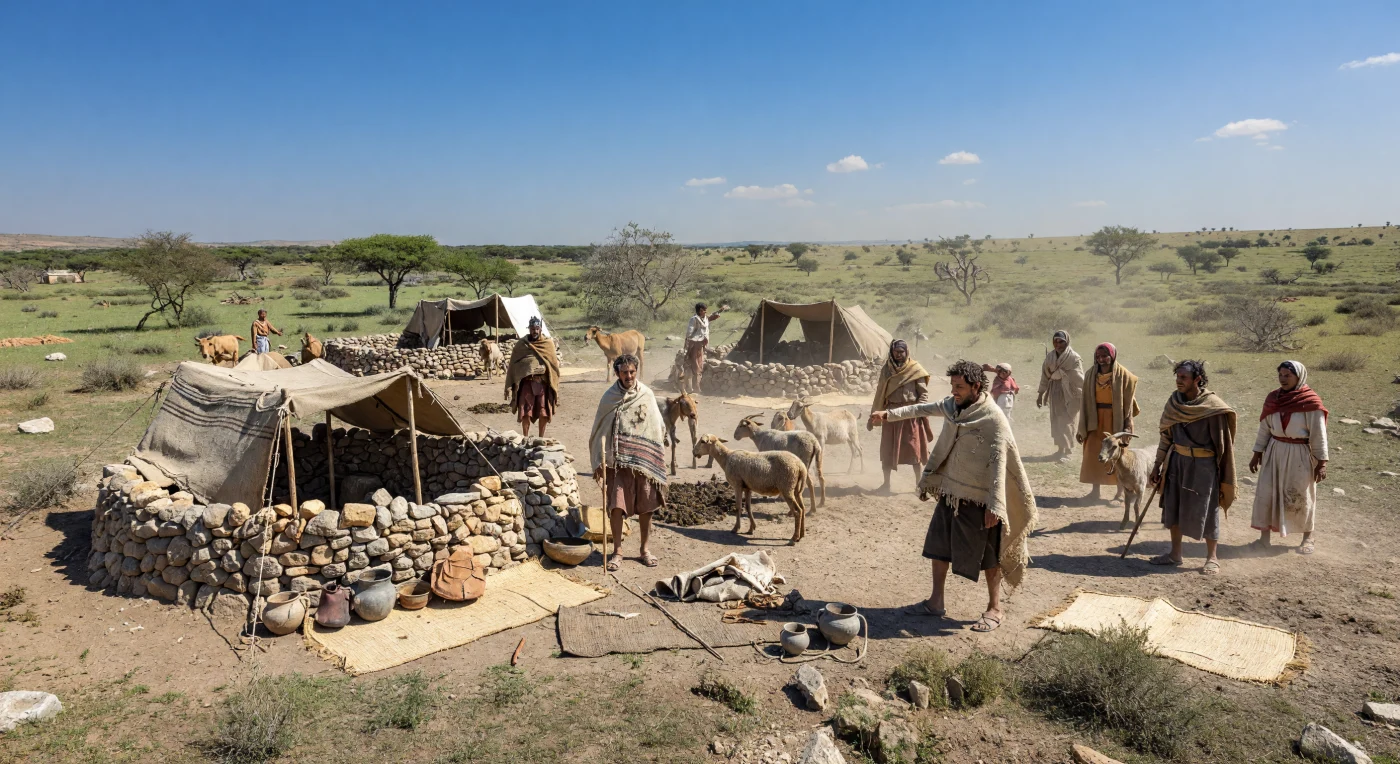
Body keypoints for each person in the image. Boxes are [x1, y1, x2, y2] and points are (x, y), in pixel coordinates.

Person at [869, 360, 1037, 633]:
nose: (954, 391)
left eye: (959, 387)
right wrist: (887, 415)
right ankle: (936, 602)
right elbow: (921, 408)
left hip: (981, 498)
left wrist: (995, 505)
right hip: (951, 491)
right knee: (939, 546)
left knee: (989, 555)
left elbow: (1000, 462)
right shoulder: (952, 407)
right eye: (952, 386)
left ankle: (995, 608)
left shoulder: (992, 418)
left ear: (976, 386)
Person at [1149, 360, 1237, 575]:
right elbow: (1166, 437)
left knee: (1207, 508)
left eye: (1183, 378)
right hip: (1177, 462)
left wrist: (1222, 472)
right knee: (1174, 505)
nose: (1178, 381)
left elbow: (1223, 444)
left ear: (1197, 379)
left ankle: (1212, 558)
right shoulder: (1174, 403)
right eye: (1177, 377)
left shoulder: (1212, 407)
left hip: (1204, 466)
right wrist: (1157, 465)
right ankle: (1175, 554)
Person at [589, 353, 668, 571]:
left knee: (647, 507)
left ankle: (644, 550)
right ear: (617, 373)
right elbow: (599, 429)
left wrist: (655, 451)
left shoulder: (646, 394)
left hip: (643, 462)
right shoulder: (609, 397)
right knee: (616, 507)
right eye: (624, 372)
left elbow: (657, 426)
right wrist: (600, 461)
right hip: (618, 463)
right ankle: (617, 552)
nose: (629, 376)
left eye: (632, 372)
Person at [1249, 361, 1328, 555]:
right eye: (1281, 375)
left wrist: (1321, 463)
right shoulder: (1273, 399)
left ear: (1299, 377)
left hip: (1299, 454)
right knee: (1267, 493)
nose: (1283, 379)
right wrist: (1257, 452)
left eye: (1287, 376)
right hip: (1274, 451)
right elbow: (1265, 428)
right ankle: (1264, 540)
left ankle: (1308, 537)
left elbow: (1319, 434)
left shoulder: (1310, 402)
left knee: (1301, 495)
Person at [1076, 343, 1140, 507]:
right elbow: (1084, 402)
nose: (1101, 359)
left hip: (1115, 419)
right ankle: (1095, 491)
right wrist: (1081, 426)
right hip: (1094, 418)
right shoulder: (1090, 374)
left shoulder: (1125, 376)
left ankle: (1120, 493)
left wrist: (1127, 425)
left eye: (1105, 356)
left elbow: (1129, 403)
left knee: (1117, 455)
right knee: (1093, 453)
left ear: (1112, 356)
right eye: (1098, 356)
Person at [870, 339, 933, 494]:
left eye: (901, 352)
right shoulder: (887, 370)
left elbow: (923, 394)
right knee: (887, 450)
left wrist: (918, 410)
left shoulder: (915, 370)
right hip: (890, 415)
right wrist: (875, 414)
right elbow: (880, 393)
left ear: (906, 352)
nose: (898, 355)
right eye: (895, 352)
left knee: (914, 451)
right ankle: (886, 484)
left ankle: (918, 484)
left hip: (910, 415)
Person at [503, 317, 559, 438]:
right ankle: (525, 438)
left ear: (541, 329)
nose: (535, 331)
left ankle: (541, 438)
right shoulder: (522, 344)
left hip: (542, 383)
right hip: (527, 383)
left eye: (537, 328)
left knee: (543, 413)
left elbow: (553, 365)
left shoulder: (547, 344)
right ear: (529, 329)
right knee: (526, 413)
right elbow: (514, 364)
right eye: (533, 329)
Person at [1036, 330, 1084, 462]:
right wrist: (1040, 394)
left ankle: (1068, 451)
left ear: (1067, 342)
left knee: (1067, 420)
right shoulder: (1050, 357)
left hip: (1070, 392)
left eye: (1061, 341)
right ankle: (1060, 449)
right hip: (1054, 390)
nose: (1058, 344)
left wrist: (1083, 393)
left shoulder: (1073, 358)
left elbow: (1079, 377)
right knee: (1056, 420)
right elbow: (1045, 376)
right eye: (1055, 341)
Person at [682, 302, 728, 394]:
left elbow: (713, 315)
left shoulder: (705, 318)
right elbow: (689, 333)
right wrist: (688, 344)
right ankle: (694, 388)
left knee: (700, 366)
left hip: (701, 345)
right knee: (695, 366)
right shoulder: (694, 319)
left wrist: (721, 310)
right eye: (704, 310)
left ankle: (695, 387)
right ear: (700, 310)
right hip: (694, 345)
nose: (706, 312)